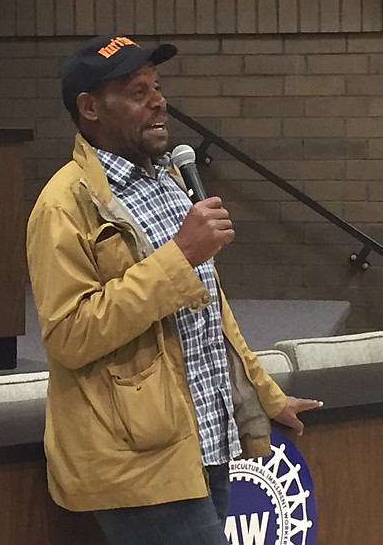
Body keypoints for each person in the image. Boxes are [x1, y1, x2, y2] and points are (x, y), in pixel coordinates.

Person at [25, 34, 322, 544]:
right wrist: (180, 255)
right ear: (90, 108)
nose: (159, 100)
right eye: (137, 91)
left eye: (157, 87)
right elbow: (69, 334)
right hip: (134, 458)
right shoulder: (63, 206)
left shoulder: (167, 181)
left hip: (202, 441)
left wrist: (265, 395)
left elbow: (209, 311)